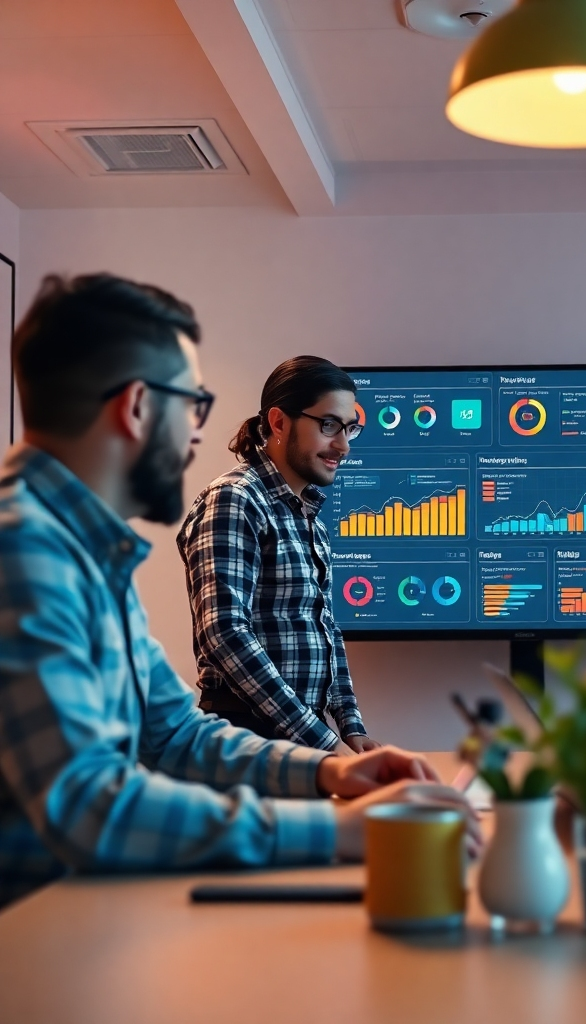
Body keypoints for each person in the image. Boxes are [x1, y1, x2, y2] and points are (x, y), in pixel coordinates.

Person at [0, 274, 475, 908]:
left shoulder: (86, 552)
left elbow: (172, 735)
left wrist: (334, 767)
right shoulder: (22, 549)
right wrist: (338, 828)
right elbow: (85, 807)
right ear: (137, 406)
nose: (199, 434)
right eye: (192, 405)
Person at [178, 357, 379, 752]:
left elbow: (324, 629)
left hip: (299, 736)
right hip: (246, 739)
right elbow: (225, 634)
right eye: (328, 425)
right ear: (279, 422)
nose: (344, 445)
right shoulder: (235, 499)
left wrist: (351, 730)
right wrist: (327, 745)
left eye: (350, 428)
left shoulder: (309, 518)